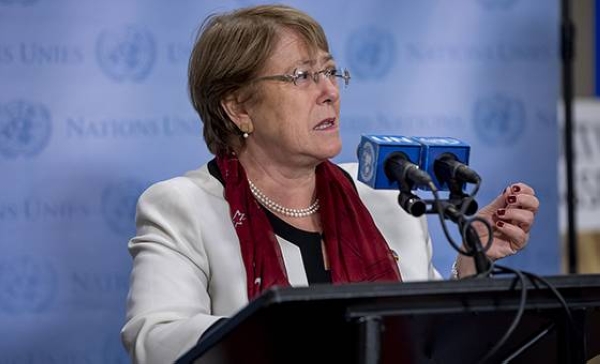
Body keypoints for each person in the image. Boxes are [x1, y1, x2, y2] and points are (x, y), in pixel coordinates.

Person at [120, 4, 539, 364]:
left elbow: (425, 339)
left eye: (331, 71)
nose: (330, 92)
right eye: (302, 76)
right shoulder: (182, 206)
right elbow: (155, 339)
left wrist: (470, 263)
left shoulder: (385, 198)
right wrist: (297, 332)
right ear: (238, 108)